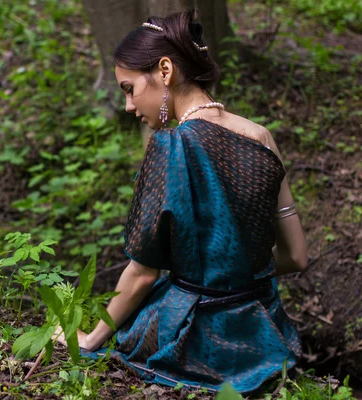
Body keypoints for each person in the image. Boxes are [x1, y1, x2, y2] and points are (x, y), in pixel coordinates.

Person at [54, 9, 307, 394]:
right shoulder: (261, 136)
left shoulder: (171, 148)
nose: (128, 105)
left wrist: (91, 338)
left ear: (165, 71)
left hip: (195, 338)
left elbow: (143, 274)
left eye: (129, 88)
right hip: (264, 334)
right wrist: (237, 274)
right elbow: (296, 258)